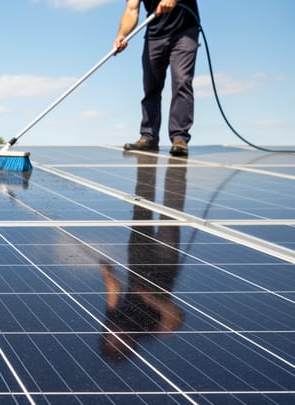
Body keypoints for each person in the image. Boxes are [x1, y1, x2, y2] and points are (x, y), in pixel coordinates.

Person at [100, 153, 187, 360]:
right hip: (164, 263)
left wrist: (107, 274)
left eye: (109, 339)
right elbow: (176, 317)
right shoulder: (151, 332)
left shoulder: (112, 318)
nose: (114, 337)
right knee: (170, 213)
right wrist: (151, 300)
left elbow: (114, 290)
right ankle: (177, 166)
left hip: (138, 260)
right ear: (129, 346)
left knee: (141, 210)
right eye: (119, 344)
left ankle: (146, 163)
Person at [115, 0, 200, 157]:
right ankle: (149, 137)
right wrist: (122, 34)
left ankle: (179, 138)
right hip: (154, 35)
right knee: (151, 86)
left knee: (181, 81)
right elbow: (131, 10)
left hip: (184, 32)